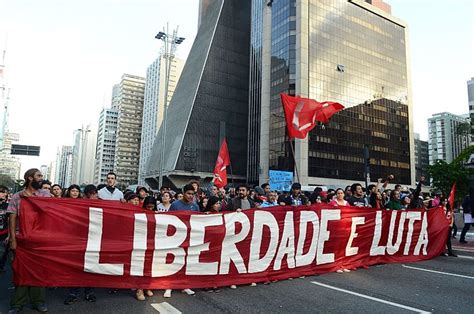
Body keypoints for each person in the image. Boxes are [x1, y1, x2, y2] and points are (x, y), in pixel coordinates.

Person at [7, 169, 50, 313]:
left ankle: (38, 301)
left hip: (39, 240)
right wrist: (13, 239)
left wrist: (32, 200)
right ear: (29, 178)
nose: (41, 179)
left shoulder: (45, 195)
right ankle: (17, 304)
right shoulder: (17, 197)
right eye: (38, 176)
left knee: (38, 271)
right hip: (21, 239)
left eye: (42, 176)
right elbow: (12, 219)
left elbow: (51, 212)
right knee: (21, 271)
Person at [64, 184, 98, 305]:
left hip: (93, 240)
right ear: (86, 194)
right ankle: (73, 293)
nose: (94, 196)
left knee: (91, 268)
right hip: (77, 240)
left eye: (96, 193)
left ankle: (89, 292)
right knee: (77, 268)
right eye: (92, 194)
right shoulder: (78, 204)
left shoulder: (100, 204)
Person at [163, 184, 197, 297]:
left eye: (192, 194)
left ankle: (184, 285)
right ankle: (169, 286)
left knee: (187, 263)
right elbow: (169, 220)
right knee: (173, 262)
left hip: (190, 238)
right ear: (183, 193)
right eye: (188, 193)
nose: (190, 196)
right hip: (176, 238)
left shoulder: (195, 206)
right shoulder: (175, 205)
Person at [0, 186, 9, 272]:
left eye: (5, 192)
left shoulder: (8, 206)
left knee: (2, 254)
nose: (4, 194)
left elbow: (11, 221)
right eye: (2, 192)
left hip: (4, 234)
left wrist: (9, 235)